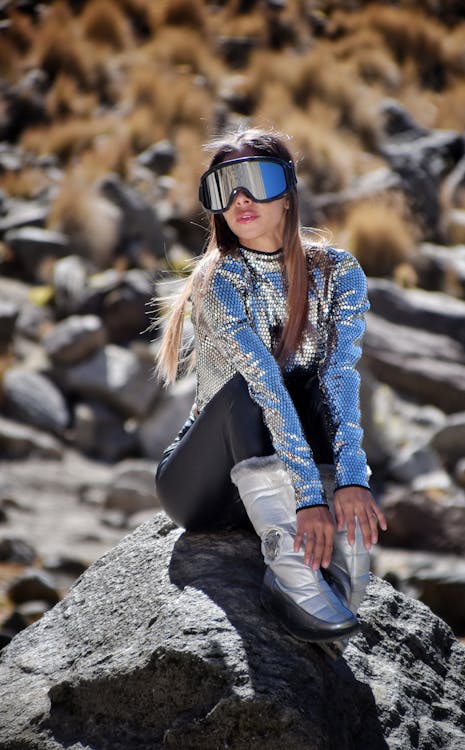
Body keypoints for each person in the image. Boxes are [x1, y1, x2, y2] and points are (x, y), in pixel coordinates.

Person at [155, 127, 387, 645]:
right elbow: (264, 389)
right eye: (224, 187)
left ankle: (341, 558)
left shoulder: (338, 271)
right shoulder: (218, 279)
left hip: (276, 478)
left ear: (288, 194)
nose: (240, 199)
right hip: (202, 489)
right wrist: (309, 497)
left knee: (317, 382)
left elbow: (341, 375)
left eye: (256, 180)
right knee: (249, 388)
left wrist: (352, 478)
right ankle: (290, 573)